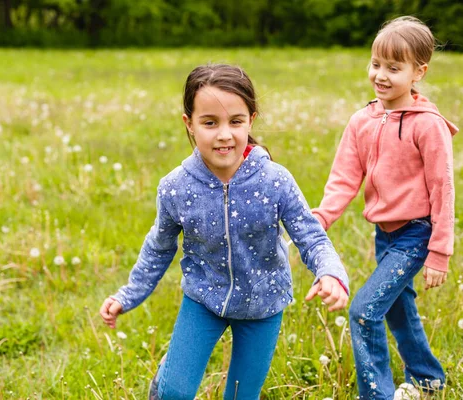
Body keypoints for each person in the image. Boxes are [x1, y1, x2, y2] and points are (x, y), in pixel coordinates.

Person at [100, 63, 350, 400]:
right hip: (204, 300)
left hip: (263, 305)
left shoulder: (275, 180)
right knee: (173, 393)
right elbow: (158, 248)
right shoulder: (176, 188)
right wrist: (127, 295)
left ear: (251, 120)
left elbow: (311, 236)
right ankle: (169, 375)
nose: (224, 134)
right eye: (209, 123)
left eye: (236, 121)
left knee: (239, 396)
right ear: (188, 124)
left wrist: (330, 272)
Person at [311, 16, 458, 400]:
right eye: (376, 64)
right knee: (397, 309)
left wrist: (439, 251)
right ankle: (428, 379)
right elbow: (345, 176)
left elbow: (443, 188)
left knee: (364, 310)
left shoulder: (428, 125)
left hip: (416, 233)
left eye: (394, 68)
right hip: (385, 235)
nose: (381, 75)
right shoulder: (362, 120)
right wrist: (322, 217)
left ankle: (375, 394)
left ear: (418, 72)